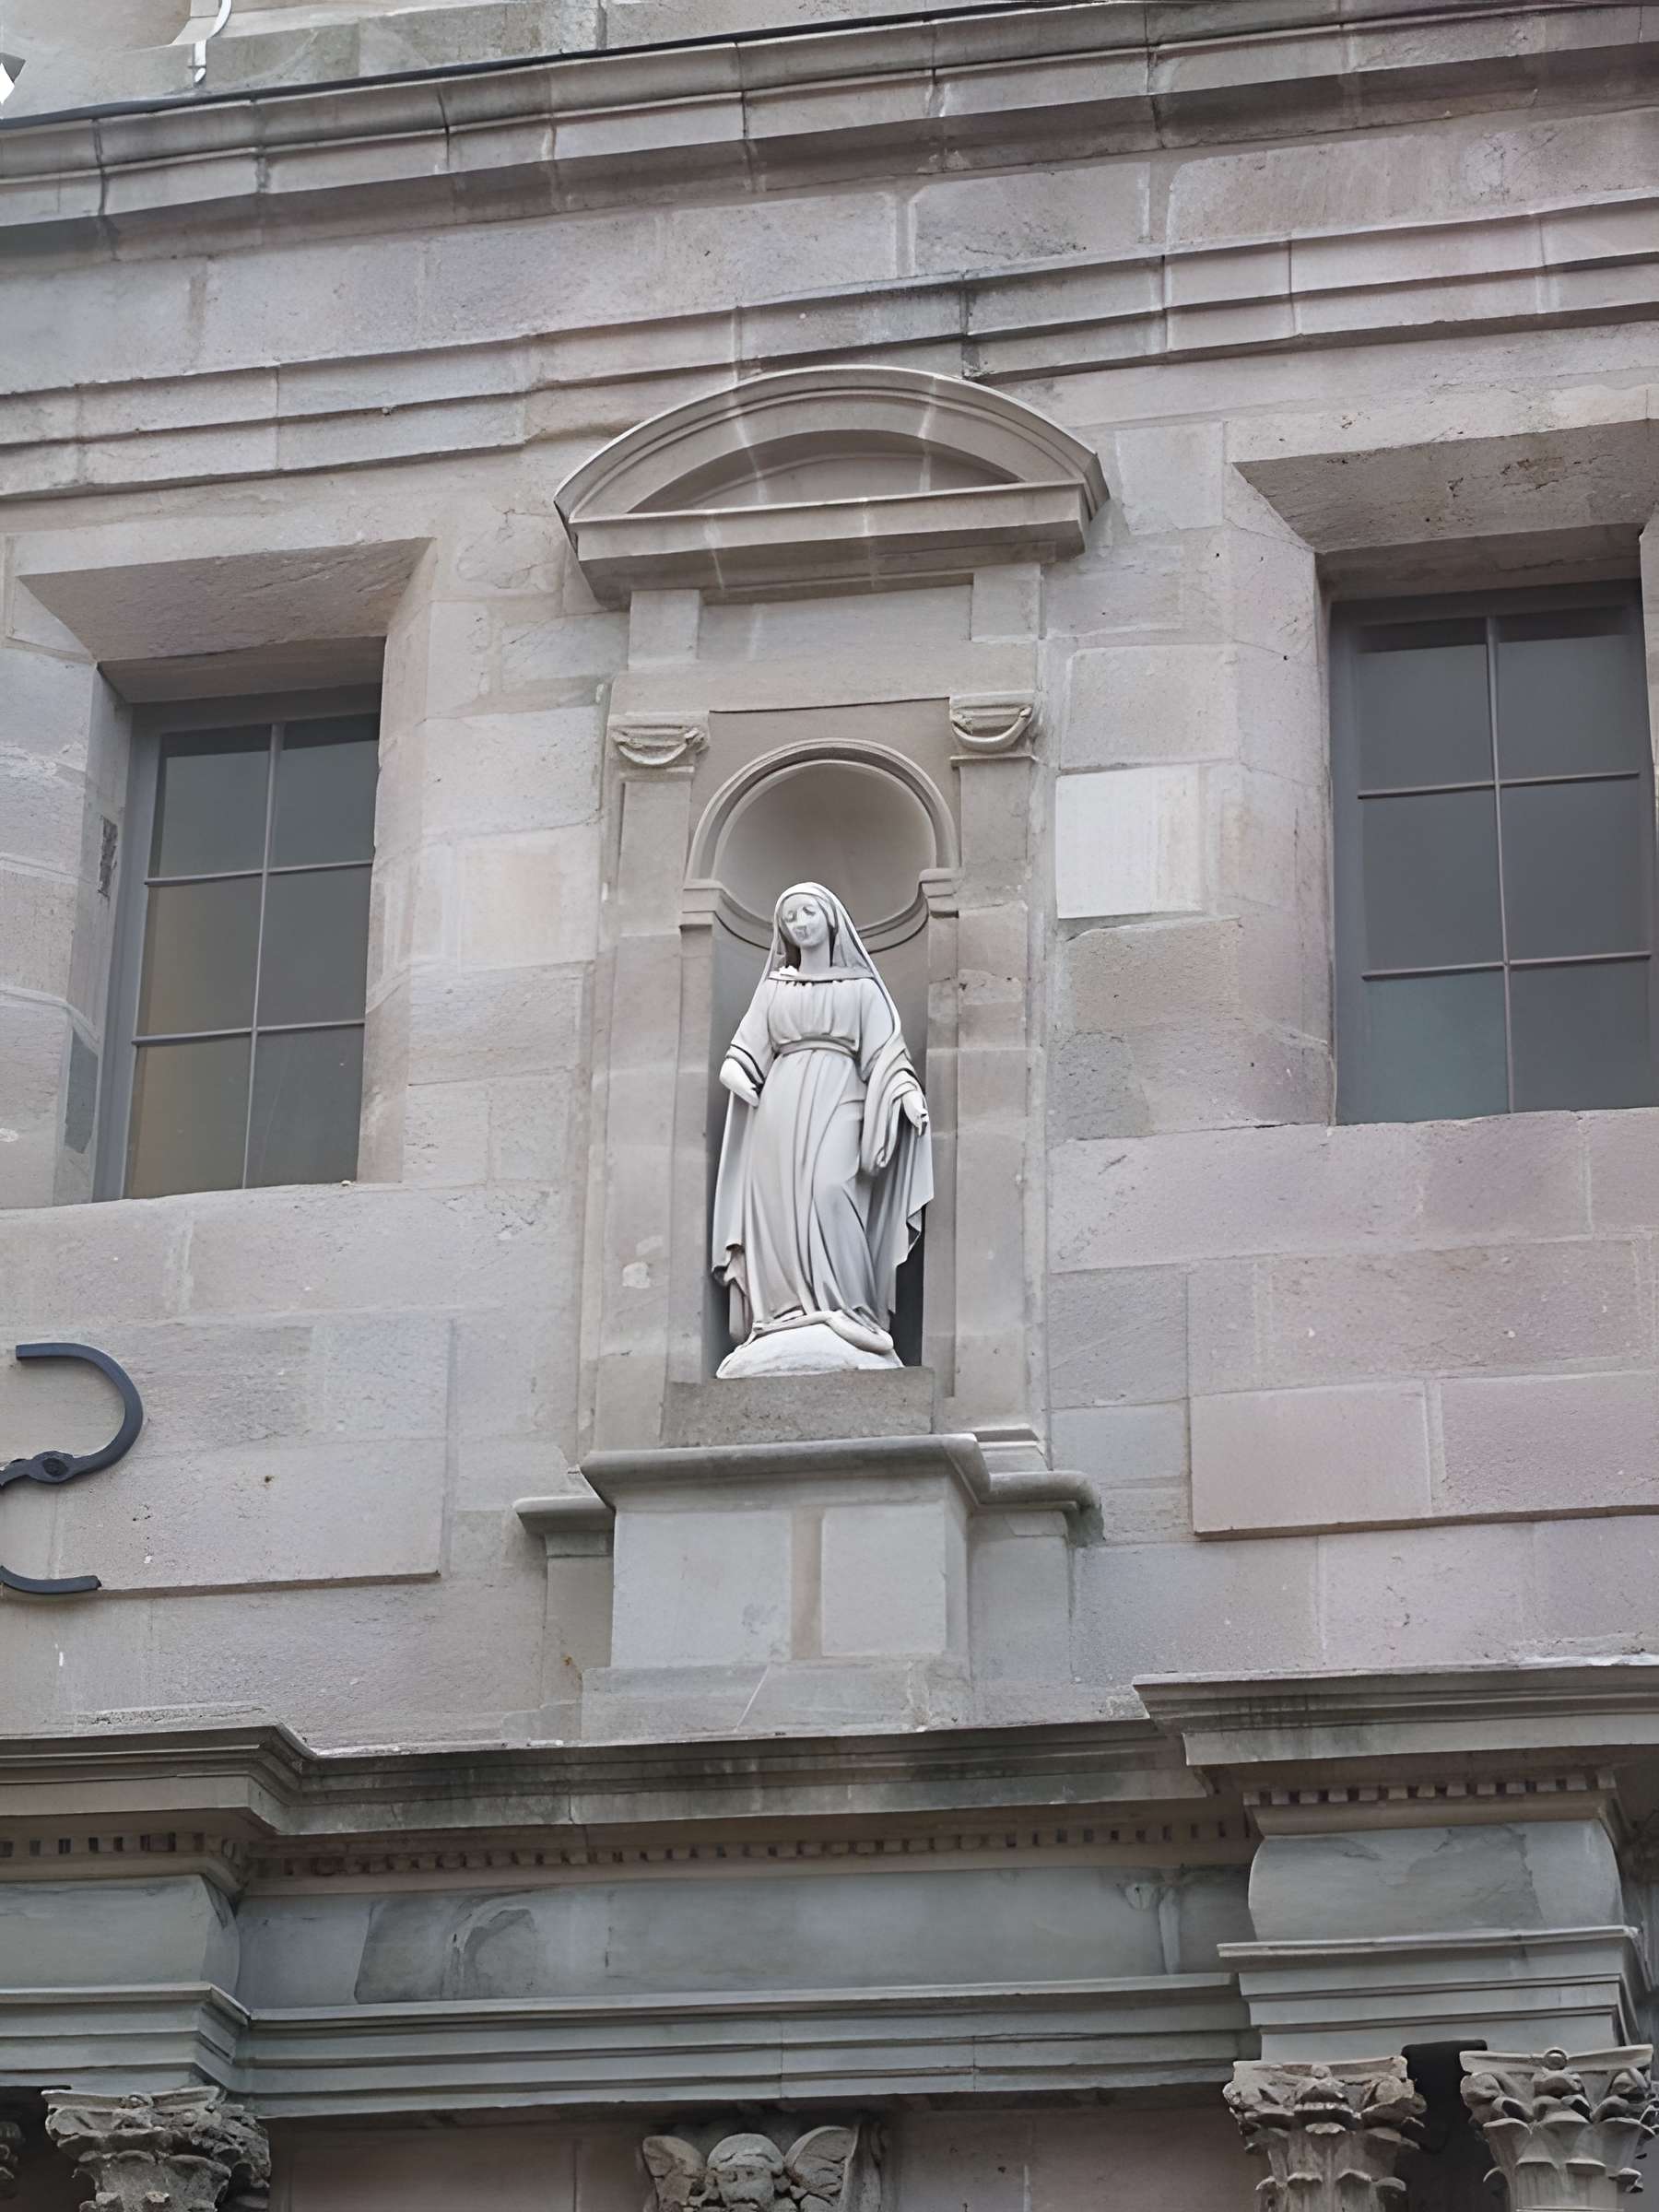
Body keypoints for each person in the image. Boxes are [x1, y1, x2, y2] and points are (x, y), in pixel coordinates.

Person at [712, 881, 931, 1374]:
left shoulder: (861, 989)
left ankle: (851, 1309)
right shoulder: (774, 990)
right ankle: (788, 1312)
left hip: (841, 1098)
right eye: (791, 917)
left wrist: (908, 1096)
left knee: (833, 1190)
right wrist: (742, 1082)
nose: (801, 923)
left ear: (831, 917)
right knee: (778, 1207)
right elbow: (743, 1054)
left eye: (809, 912)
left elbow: (885, 1057)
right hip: (781, 1106)